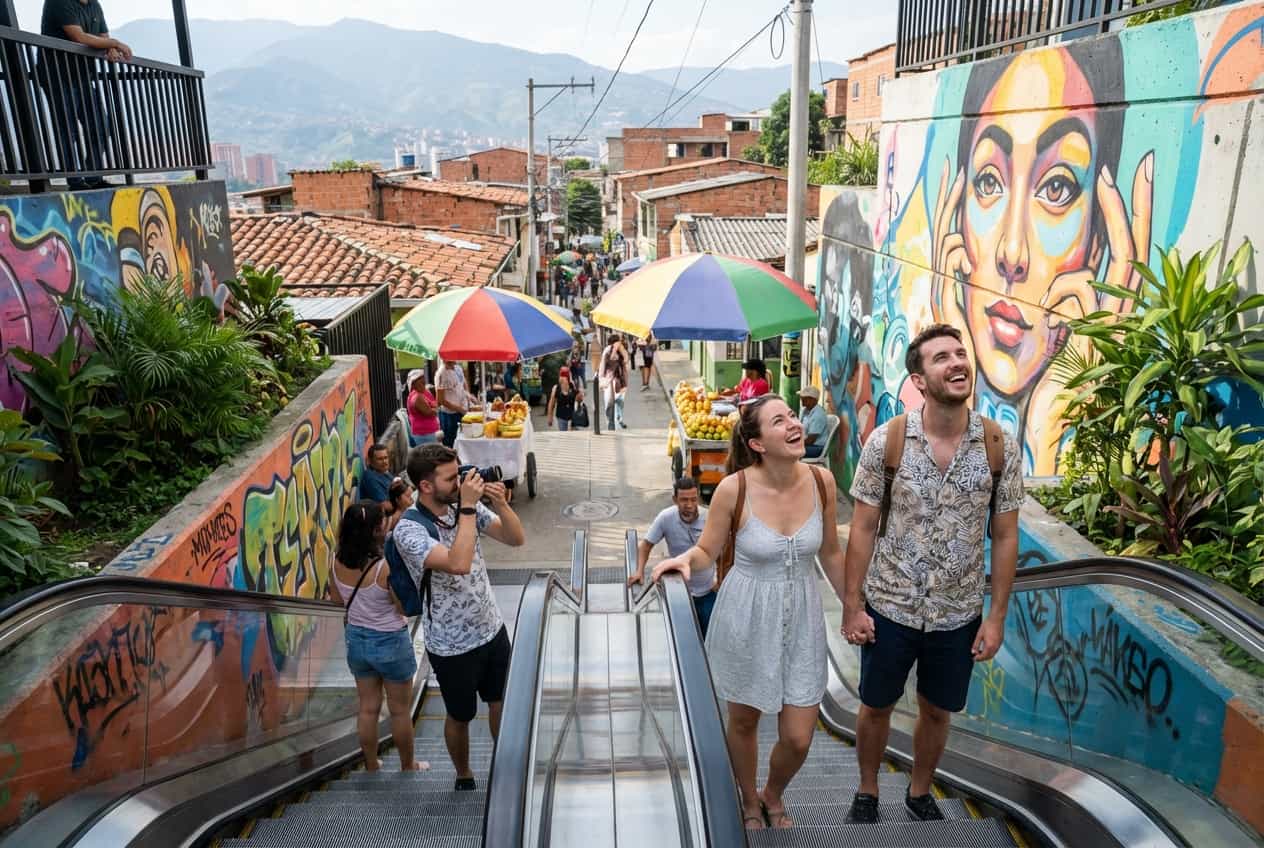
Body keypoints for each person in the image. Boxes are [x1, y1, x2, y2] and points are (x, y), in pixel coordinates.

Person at [841, 324, 1022, 824]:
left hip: (957, 613)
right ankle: (867, 789)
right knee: (876, 705)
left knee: (938, 710)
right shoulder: (888, 441)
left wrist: (996, 617)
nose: (958, 362)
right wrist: (852, 606)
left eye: (960, 353)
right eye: (942, 357)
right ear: (919, 380)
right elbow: (862, 527)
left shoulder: (998, 445)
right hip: (890, 605)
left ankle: (920, 792)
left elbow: (1006, 535)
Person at [652, 394, 847, 830]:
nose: (794, 424)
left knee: (798, 736)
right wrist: (683, 561)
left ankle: (773, 792)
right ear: (757, 443)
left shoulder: (822, 482)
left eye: (793, 416)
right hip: (746, 615)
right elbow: (707, 550)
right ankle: (748, 798)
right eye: (780, 421)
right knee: (743, 721)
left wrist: (854, 607)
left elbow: (832, 552)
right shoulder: (733, 488)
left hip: (802, 620)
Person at [393, 444, 527, 791]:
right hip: (451, 645)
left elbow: (515, 539)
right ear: (425, 486)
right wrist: (468, 506)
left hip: (491, 628)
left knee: (501, 702)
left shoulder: (462, 507)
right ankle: (464, 774)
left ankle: (505, 766)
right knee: (460, 715)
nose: (461, 482)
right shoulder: (409, 530)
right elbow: (458, 563)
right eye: (451, 478)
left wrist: (500, 504)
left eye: (460, 473)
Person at [328, 501, 429, 773]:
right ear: (374, 530)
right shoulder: (384, 567)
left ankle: (371, 764)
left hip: (356, 641)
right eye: (383, 521)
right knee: (399, 711)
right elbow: (401, 608)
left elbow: (337, 600)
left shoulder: (335, 560)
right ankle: (408, 765)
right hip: (390, 642)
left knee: (367, 708)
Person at [40, 0, 132, 190]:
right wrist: (114, 43)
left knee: (101, 126)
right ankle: (75, 181)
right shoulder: (59, 3)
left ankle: (92, 177)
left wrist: (110, 47)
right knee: (68, 130)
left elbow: (103, 35)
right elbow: (79, 37)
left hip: (83, 76)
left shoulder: (94, 5)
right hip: (57, 75)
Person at [628, 477, 716, 635]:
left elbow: (723, 548)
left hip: (707, 591)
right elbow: (646, 545)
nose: (689, 505)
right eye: (684, 500)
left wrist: (721, 578)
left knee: (709, 636)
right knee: (681, 635)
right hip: (679, 592)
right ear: (675, 500)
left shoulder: (709, 518)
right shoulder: (666, 518)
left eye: (693, 499)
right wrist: (639, 571)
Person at [599, 336, 631, 430]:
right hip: (611, 382)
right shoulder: (608, 350)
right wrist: (615, 348)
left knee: (619, 403)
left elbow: (626, 360)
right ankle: (612, 425)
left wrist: (621, 349)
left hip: (620, 382)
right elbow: (610, 359)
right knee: (610, 405)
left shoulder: (622, 351)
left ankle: (618, 422)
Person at [436, 359, 469, 448]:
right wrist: (460, 409)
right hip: (449, 416)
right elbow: (441, 400)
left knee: (460, 442)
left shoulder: (456, 369)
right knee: (451, 444)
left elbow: (462, 385)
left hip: (460, 412)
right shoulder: (442, 373)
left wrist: (469, 396)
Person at [406, 369, 441, 447]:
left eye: (424, 380)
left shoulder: (422, 393)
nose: (424, 382)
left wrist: (434, 408)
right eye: (421, 381)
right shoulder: (416, 397)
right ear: (413, 384)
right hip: (425, 434)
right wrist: (435, 409)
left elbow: (435, 405)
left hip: (428, 433)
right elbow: (430, 413)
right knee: (431, 454)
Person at [547, 366, 584, 431]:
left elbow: (580, 400)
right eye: (561, 376)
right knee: (563, 434)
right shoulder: (556, 388)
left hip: (572, 417)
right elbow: (551, 404)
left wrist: (578, 392)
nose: (562, 379)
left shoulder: (572, 387)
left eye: (564, 377)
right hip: (561, 417)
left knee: (572, 434)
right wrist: (550, 417)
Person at [797, 386, 828, 459]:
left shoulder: (818, 414)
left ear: (813, 400)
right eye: (802, 399)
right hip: (808, 445)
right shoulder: (805, 411)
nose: (802, 401)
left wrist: (795, 444)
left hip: (816, 447)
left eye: (804, 399)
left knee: (788, 452)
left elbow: (811, 440)